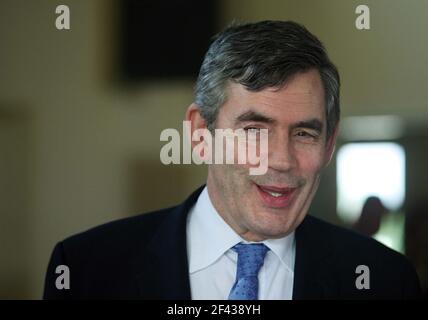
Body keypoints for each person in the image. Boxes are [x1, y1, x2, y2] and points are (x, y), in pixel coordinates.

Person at [43, 20, 421, 299]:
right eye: (254, 130)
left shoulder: (386, 280)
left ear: (328, 145)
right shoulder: (86, 270)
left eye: (304, 133)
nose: (281, 161)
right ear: (199, 134)